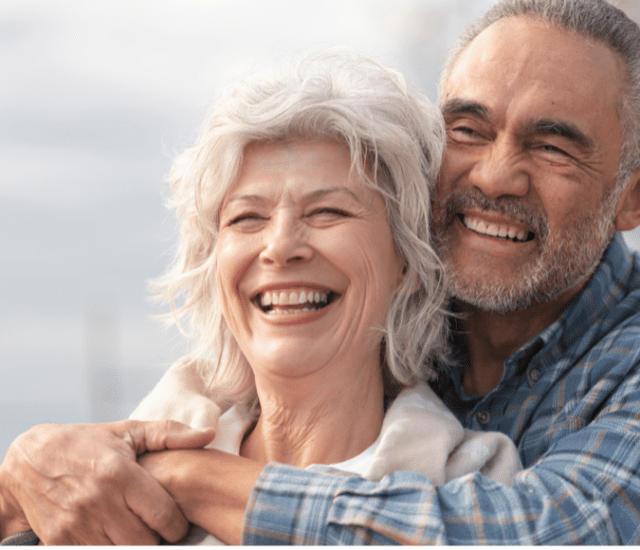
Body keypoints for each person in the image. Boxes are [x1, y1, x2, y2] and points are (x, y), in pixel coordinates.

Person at [2, 0, 640, 545]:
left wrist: (184, 479)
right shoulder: (197, 406)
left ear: (630, 196)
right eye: (468, 129)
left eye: (553, 146)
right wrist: (25, 474)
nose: (495, 175)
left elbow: (557, 532)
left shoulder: (479, 460)